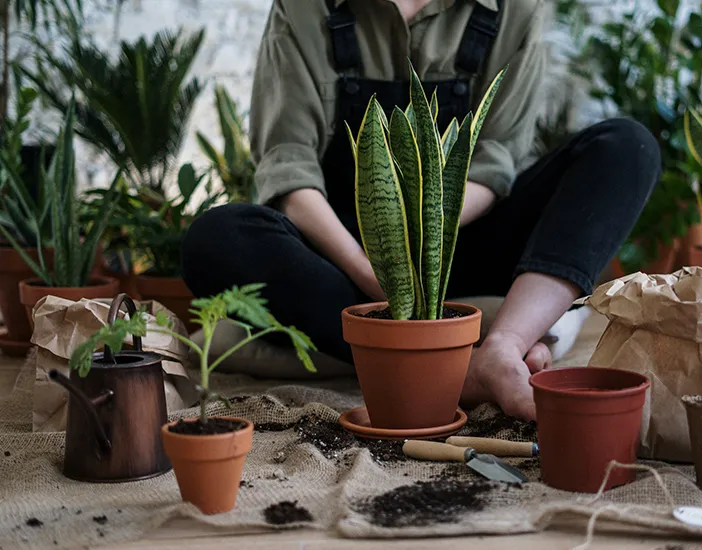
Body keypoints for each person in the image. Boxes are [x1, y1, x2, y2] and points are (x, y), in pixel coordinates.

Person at [181, 0, 661, 421]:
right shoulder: (308, 6)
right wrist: (376, 271)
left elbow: (495, 162)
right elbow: (289, 168)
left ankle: (501, 347)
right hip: (347, 265)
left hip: (463, 239)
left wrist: (427, 245)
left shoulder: (511, 7)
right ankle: (450, 360)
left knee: (627, 147)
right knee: (216, 238)